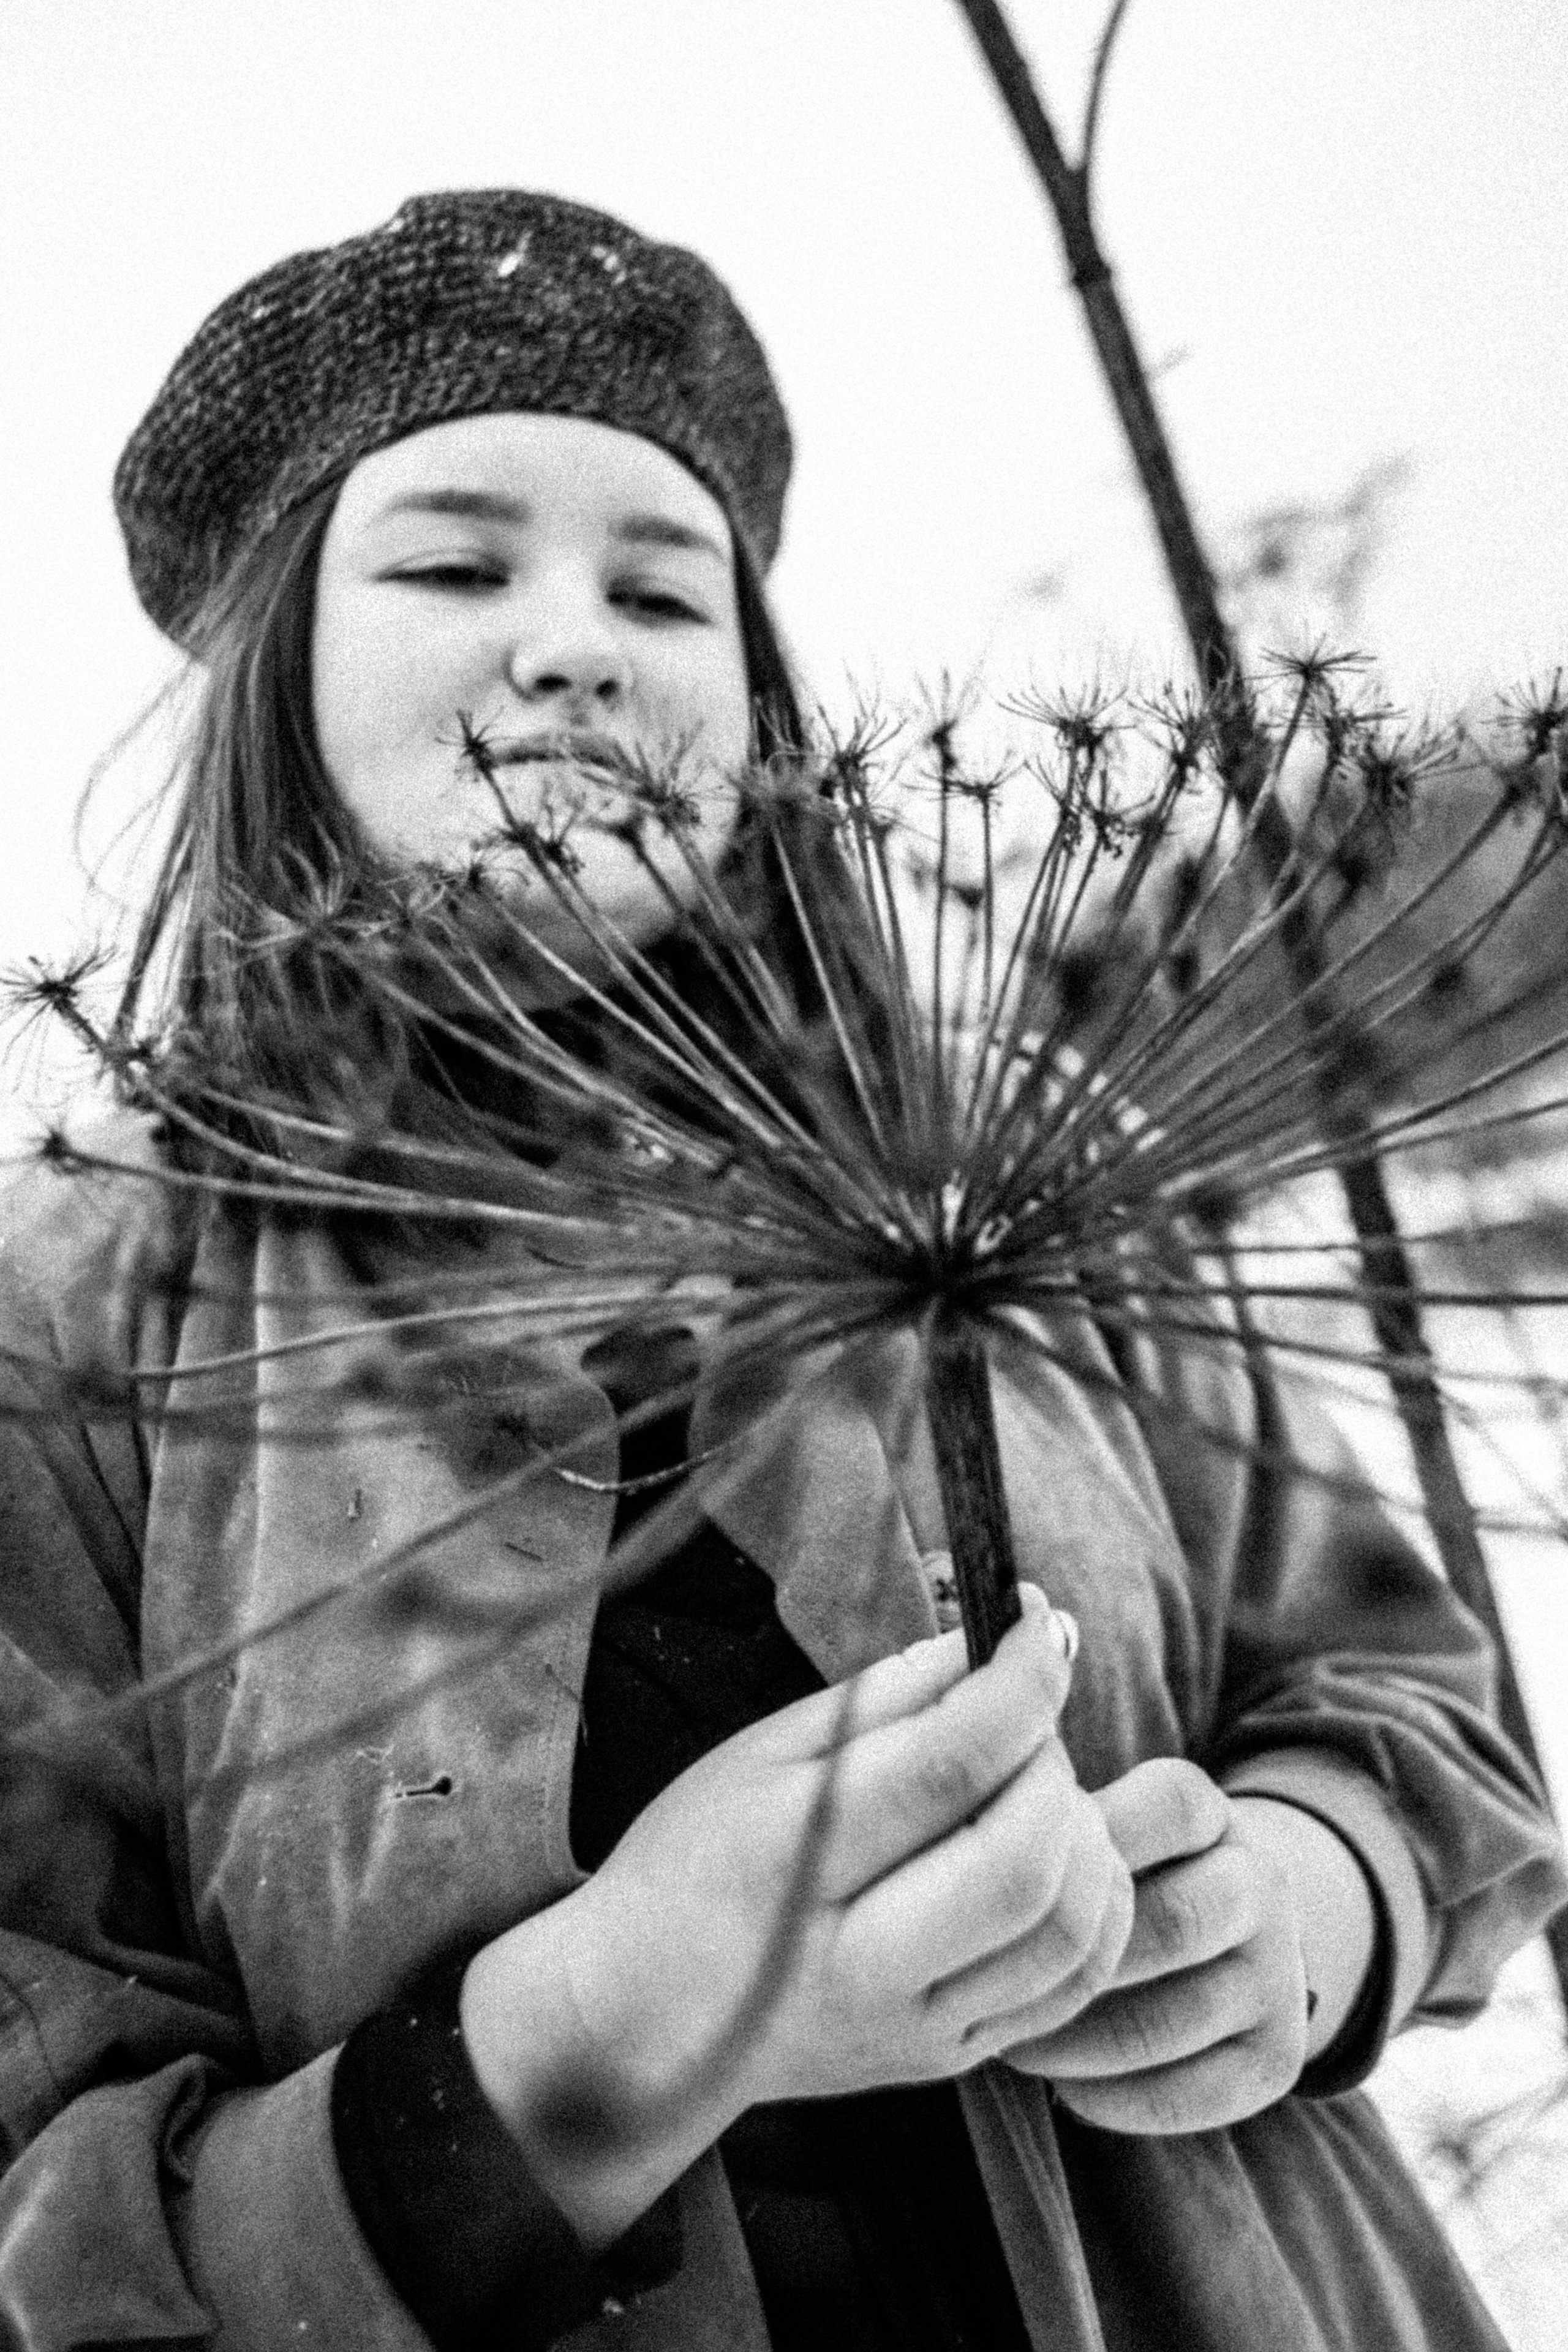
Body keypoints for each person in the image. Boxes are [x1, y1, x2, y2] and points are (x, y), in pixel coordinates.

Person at [0, 187, 1561, 2352]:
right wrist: (595, 2036)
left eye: (669, 587)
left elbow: (1420, 1717)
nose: (581, 641)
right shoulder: (64, 1317)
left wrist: (1304, 1907)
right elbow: (44, 2215)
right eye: (458, 564)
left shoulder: (1014, 1184)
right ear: (277, 653)